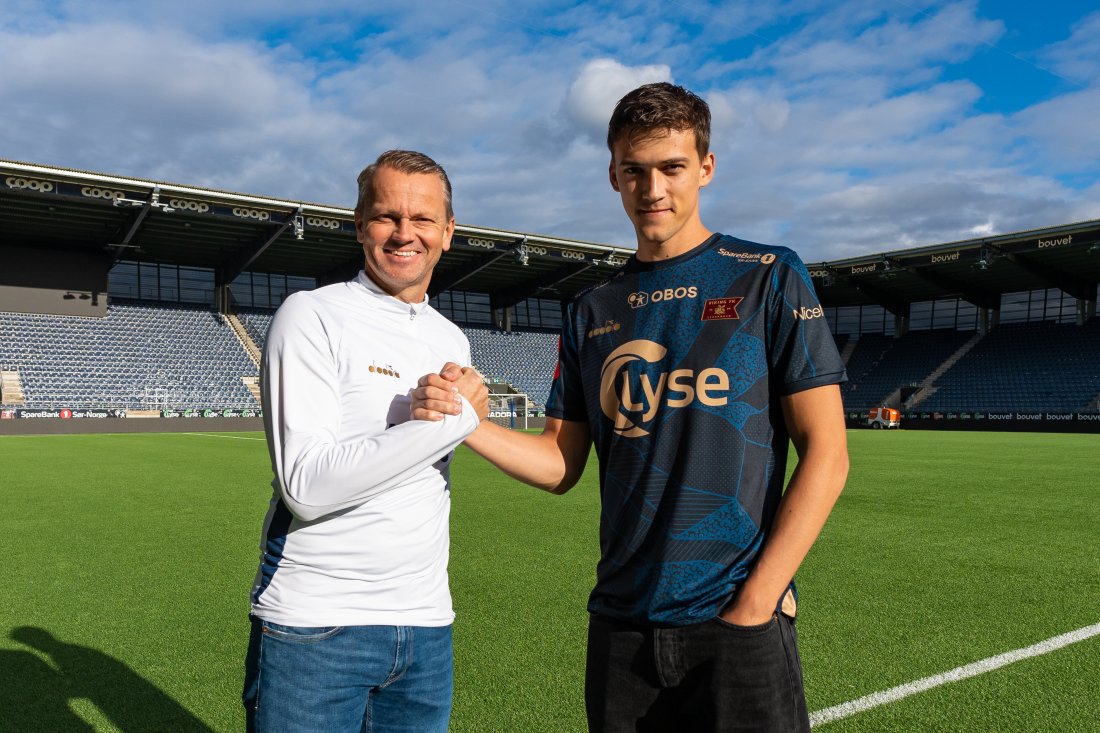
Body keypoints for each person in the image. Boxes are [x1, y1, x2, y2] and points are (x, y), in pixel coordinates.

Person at [413, 83, 849, 732]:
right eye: (635, 171)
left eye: (672, 167)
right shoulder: (594, 310)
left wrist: (758, 599)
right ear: (613, 174)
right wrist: (468, 420)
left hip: (736, 622)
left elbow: (828, 453)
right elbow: (562, 461)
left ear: (705, 166)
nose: (653, 189)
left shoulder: (768, 277)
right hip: (621, 629)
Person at [242, 149, 489, 733]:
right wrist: (451, 422)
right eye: (387, 216)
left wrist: (446, 421)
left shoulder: (450, 337)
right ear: (360, 226)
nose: (406, 233)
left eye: (424, 219)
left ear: (449, 232)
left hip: (426, 624)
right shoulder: (312, 315)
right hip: (317, 625)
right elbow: (306, 486)